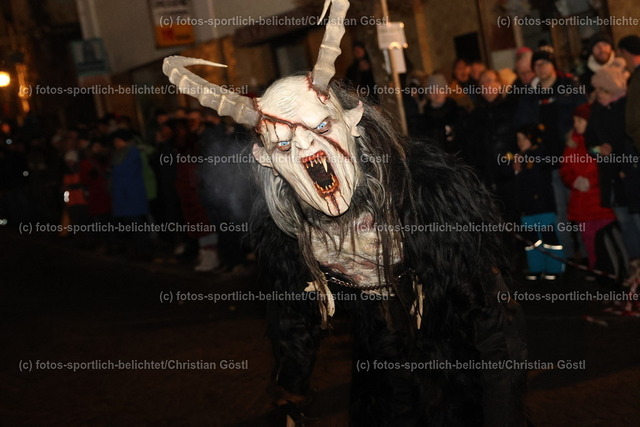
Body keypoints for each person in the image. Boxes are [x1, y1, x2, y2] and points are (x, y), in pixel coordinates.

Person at [163, 2, 527, 424]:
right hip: (383, 374)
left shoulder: (429, 195)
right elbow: (295, 318)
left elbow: (494, 321)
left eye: (321, 127)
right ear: (266, 160)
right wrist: (290, 393)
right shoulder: (288, 234)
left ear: (352, 121)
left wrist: (500, 415)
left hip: (459, 368)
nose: (306, 147)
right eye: (284, 144)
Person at [515, 49, 587, 261]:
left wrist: (575, 136)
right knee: (559, 212)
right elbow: (522, 126)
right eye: (537, 65)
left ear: (552, 65)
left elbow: (584, 113)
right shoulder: (530, 95)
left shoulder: (569, 87)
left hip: (572, 159)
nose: (541, 68)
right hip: (546, 164)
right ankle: (567, 257)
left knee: (580, 208)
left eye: (545, 63)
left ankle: (587, 255)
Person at [587, 59, 640, 284]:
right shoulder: (596, 111)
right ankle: (634, 267)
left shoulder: (627, 109)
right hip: (611, 178)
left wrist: (623, 163)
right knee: (625, 223)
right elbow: (589, 144)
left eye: (604, 89)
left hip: (631, 175)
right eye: (597, 89)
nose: (599, 94)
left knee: (637, 220)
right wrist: (599, 149)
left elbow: (632, 141)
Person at [559, 103, 616, 270]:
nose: (575, 124)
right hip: (581, 201)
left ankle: (611, 271)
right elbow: (565, 169)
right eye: (574, 121)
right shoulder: (572, 142)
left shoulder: (599, 142)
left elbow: (606, 168)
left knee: (604, 239)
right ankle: (595, 270)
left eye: (579, 120)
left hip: (600, 202)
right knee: (587, 238)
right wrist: (574, 180)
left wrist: (592, 180)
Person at [511, 124, 565, 280]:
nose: (520, 142)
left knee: (549, 239)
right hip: (526, 208)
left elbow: (542, 167)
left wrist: (525, 162)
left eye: (524, 139)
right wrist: (517, 170)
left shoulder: (540, 154)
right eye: (518, 139)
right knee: (532, 241)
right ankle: (536, 268)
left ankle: (555, 269)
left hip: (543, 206)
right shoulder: (520, 158)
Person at [110, 129, 152, 260]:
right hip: (125, 194)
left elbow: (127, 171)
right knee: (131, 225)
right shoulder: (121, 153)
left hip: (131, 194)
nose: (116, 144)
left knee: (136, 225)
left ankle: (144, 251)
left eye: (118, 141)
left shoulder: (132, 152)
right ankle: (137, 251)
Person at [422, 73, 461, 154]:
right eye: (433, 90)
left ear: (446, 92)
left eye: (440, 89)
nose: (437, 94)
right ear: (428, 94)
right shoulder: (423, 120)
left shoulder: (458, 114)